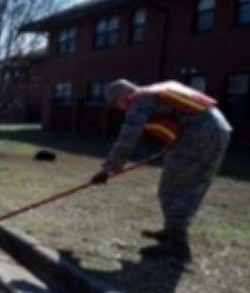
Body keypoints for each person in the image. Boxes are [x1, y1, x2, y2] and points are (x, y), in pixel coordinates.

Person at [90, 78, 231, 263]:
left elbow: (127, 139)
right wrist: (174, 145)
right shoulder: (155, 90)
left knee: (173, 189)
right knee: (190, 186)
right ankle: (172, 232)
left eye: (116, 105)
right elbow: (181, 116)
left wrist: (107, 170)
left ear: (121, 96)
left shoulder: (138, 100)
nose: (119, 109)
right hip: (218, 130)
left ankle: (177, 244)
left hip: (198, 135)